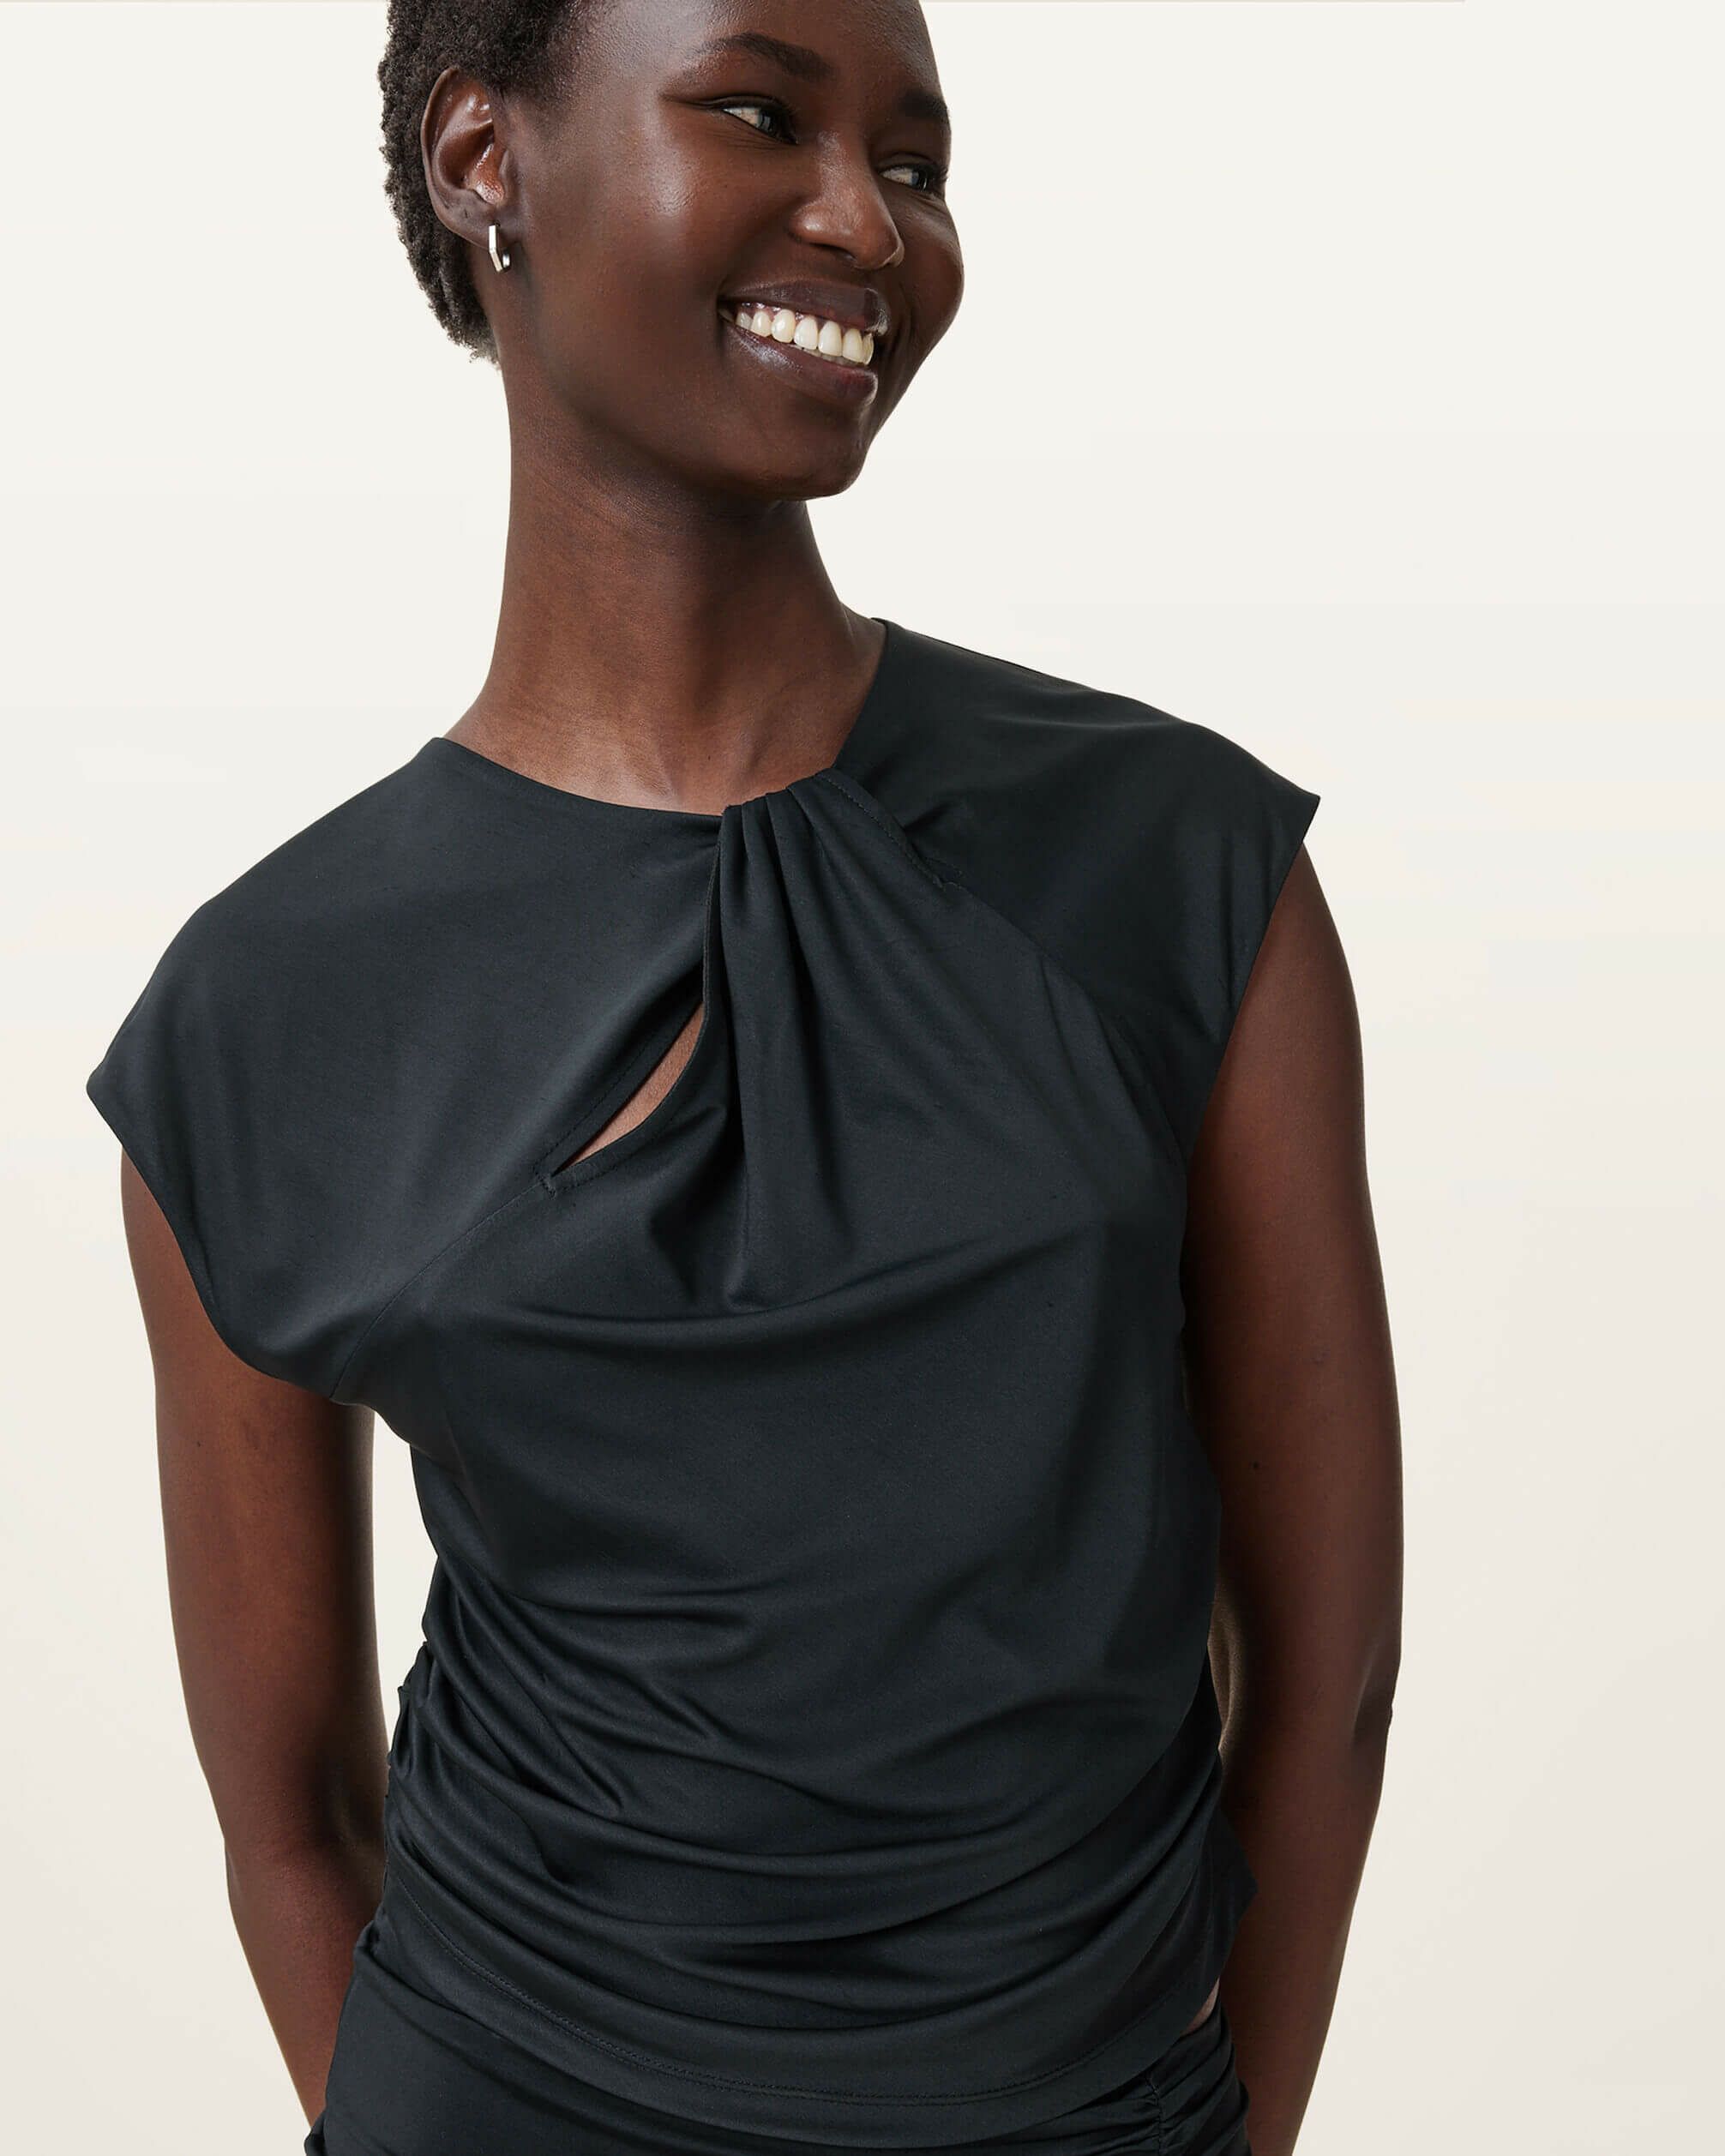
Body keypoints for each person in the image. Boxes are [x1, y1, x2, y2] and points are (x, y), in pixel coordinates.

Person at [86, 4, 1402, 2153]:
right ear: (483, 159)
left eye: (918, 159)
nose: (868, 222)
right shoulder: (264, 1011)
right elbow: (295, 1815)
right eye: (761, 113)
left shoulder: (1169, 868)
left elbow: (1324, 1688)